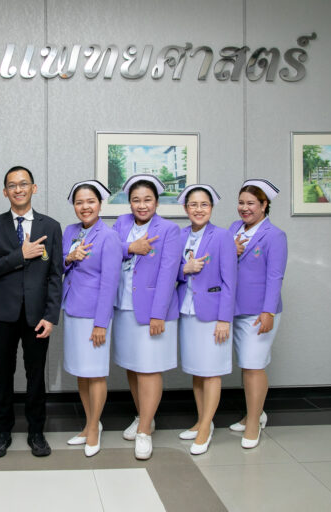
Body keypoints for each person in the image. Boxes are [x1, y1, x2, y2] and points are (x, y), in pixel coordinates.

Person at [0, 165, 63, 458]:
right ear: (5, 192)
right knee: (3, 375)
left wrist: (51, 316)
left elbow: (55, 274)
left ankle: (36, 432)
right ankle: (2, 432)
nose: (18, 189)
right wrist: (20, 255)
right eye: (12, 185)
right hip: (2, 314)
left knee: (36, 376)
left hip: (37, 316)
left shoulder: (50, 226)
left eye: (23, 183)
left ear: (33, 188)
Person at [112, 174, 183, 460]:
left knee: (149, 369)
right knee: (132, 366)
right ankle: (145, 416)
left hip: (153, 310)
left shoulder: (169, 230)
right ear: (129, 202)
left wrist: (158, 314)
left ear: (157, 202)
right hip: (124, 306)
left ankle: (144, 432)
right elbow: (109, 251)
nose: (142, 205)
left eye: (148, 200)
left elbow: (168, 274)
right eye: (136, 200)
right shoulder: (121, 224)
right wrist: (130, 247)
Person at [61, 180, 121, 457]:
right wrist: (68, 257)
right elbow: (59, 265)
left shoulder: (109, 236)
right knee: (82, 372)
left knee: (95, 373)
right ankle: (88, 424)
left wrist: (101, 323)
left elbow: (110, 283)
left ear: (100, 204)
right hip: (72, 308)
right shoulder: (70, 231)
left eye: (90, 201)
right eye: (79, 202)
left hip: (94, 314)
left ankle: (95, 427)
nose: (85, 207)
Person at [176, 184, 237, 455]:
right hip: (187, 311)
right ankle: (202, 421)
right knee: (197, 371)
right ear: (185, 208)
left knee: (211, 372)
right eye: (193, 204)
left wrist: (224, 319)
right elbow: (170, 271)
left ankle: (205, 429)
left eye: (204, 205)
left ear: (211, 208)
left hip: (213, 315)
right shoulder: (179, 235)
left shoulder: (222, 236)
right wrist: (184, 268)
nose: (198, 209)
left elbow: (230, 281)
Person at [228, 179, 287, 448]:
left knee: (254, 366)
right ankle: (254, 413)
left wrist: (268, 312)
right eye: (241, 203)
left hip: (259, 313)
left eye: (251, 203)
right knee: (247, 365)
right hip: (235, 309)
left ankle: (254, 423)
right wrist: (231, 250)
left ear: (264, 205)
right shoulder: (233, 229)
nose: (245, 208)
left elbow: (275, 277)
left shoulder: (275, 236)